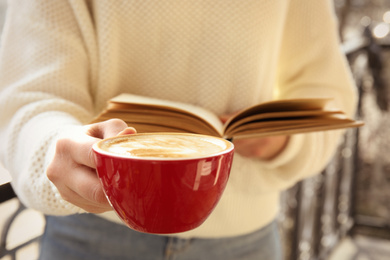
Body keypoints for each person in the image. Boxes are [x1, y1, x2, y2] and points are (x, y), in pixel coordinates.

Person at [0, 1, 357, 259]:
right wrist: (59, 150)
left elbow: (327, 92)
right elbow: (32, 99)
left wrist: (284, 141)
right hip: (91, 234)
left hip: (245, 243)